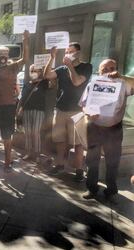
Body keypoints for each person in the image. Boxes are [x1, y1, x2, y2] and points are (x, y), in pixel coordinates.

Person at [79, 59, 133, 201]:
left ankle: (111, 190)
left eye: (112, 68)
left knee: (112, 161)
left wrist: (121, 76)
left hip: (114, 129)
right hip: (94, 126)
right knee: (92, 160)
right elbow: (83, 104)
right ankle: (92, 188)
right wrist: (87, 113)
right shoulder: (92, 84)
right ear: (99, 70)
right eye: (105, 68)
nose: (109, 71)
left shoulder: (123, 84)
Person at [43, 43, 93, 182]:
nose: (68, 53)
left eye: (71, 51)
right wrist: (51, 57)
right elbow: (47, 75)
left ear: (78, 52)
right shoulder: (61, 68)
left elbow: (77, 82)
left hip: (77, 111)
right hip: (60, 109)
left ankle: (79, 170)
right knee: (59, 140)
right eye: (66, 51)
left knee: (77, 143)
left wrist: (70, 66)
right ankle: (59, 164)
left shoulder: (86, 67)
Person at [0, 30, 30, 172]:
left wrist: (26, 40)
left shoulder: (13, 67)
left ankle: (7, 161)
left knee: (7, 137)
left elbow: (25, 59)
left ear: (8, 55)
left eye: (5, 54)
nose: (3, 57)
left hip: (8, 108)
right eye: (0, 55)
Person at [17, 64, 49, 162]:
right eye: (32, 71)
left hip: (39, 110)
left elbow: (52, 82)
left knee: (35, 132)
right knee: (28, 133)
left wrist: (45, 71)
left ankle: (37, 154)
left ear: (40, 72)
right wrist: (19, 108)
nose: (34, 73)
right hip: (26, 110)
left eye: (36, 71)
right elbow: (23, 97)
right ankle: (28, 153)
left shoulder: (44, 82)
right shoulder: (27, 84)